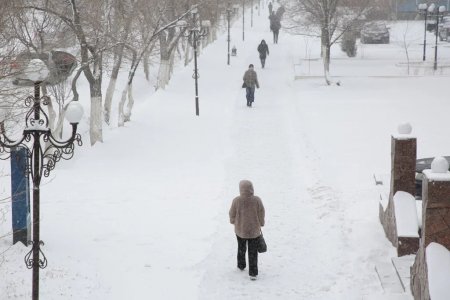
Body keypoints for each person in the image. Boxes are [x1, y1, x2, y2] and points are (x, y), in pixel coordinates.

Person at [229, 180, 265, 280]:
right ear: (251, 188)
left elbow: (232, 212)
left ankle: (241, 265)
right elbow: (261, 212)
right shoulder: (257, 200)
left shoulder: (236, 200)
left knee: (241, 248)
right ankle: (253, 273)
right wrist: (261, 223)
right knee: (253, 251)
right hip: (254, 231)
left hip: (240, 230)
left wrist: (233, 221)